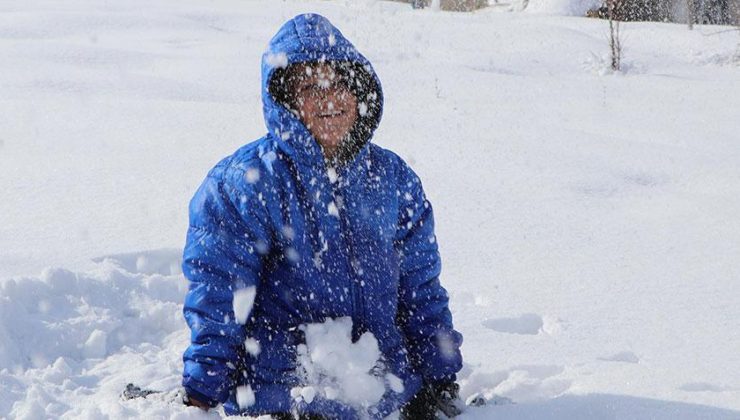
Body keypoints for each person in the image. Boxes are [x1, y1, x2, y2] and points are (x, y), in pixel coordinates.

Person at [181, 13, 463, 419]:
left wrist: (440, 374)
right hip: (283, 397)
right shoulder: (243, 185)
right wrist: (202, 391)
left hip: (387, 396)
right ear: (286, 102)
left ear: (359, 90)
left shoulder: (393, 178)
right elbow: (219, 299)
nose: (329, 98)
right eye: (310, 86)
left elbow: (421, 288)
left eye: (339, 84)